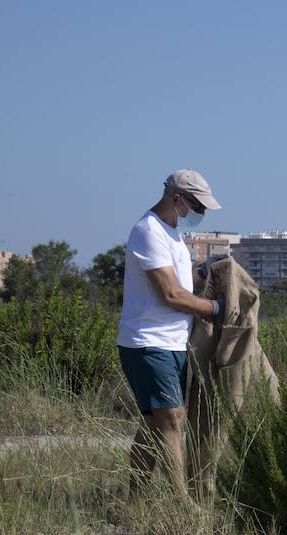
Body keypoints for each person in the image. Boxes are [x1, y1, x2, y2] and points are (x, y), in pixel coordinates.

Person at [118, 169, 223, 495]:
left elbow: (182, 281)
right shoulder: (148, 231)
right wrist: (216, 310)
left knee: (154, 424)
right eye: (197, 206)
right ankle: (183, 506)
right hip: (149, 342)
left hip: (172, 344)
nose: (200, 214)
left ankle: (131, 498)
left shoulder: (172, 233)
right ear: (177, 199)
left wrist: (204, 271)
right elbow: (171, 294)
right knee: (172, 422)